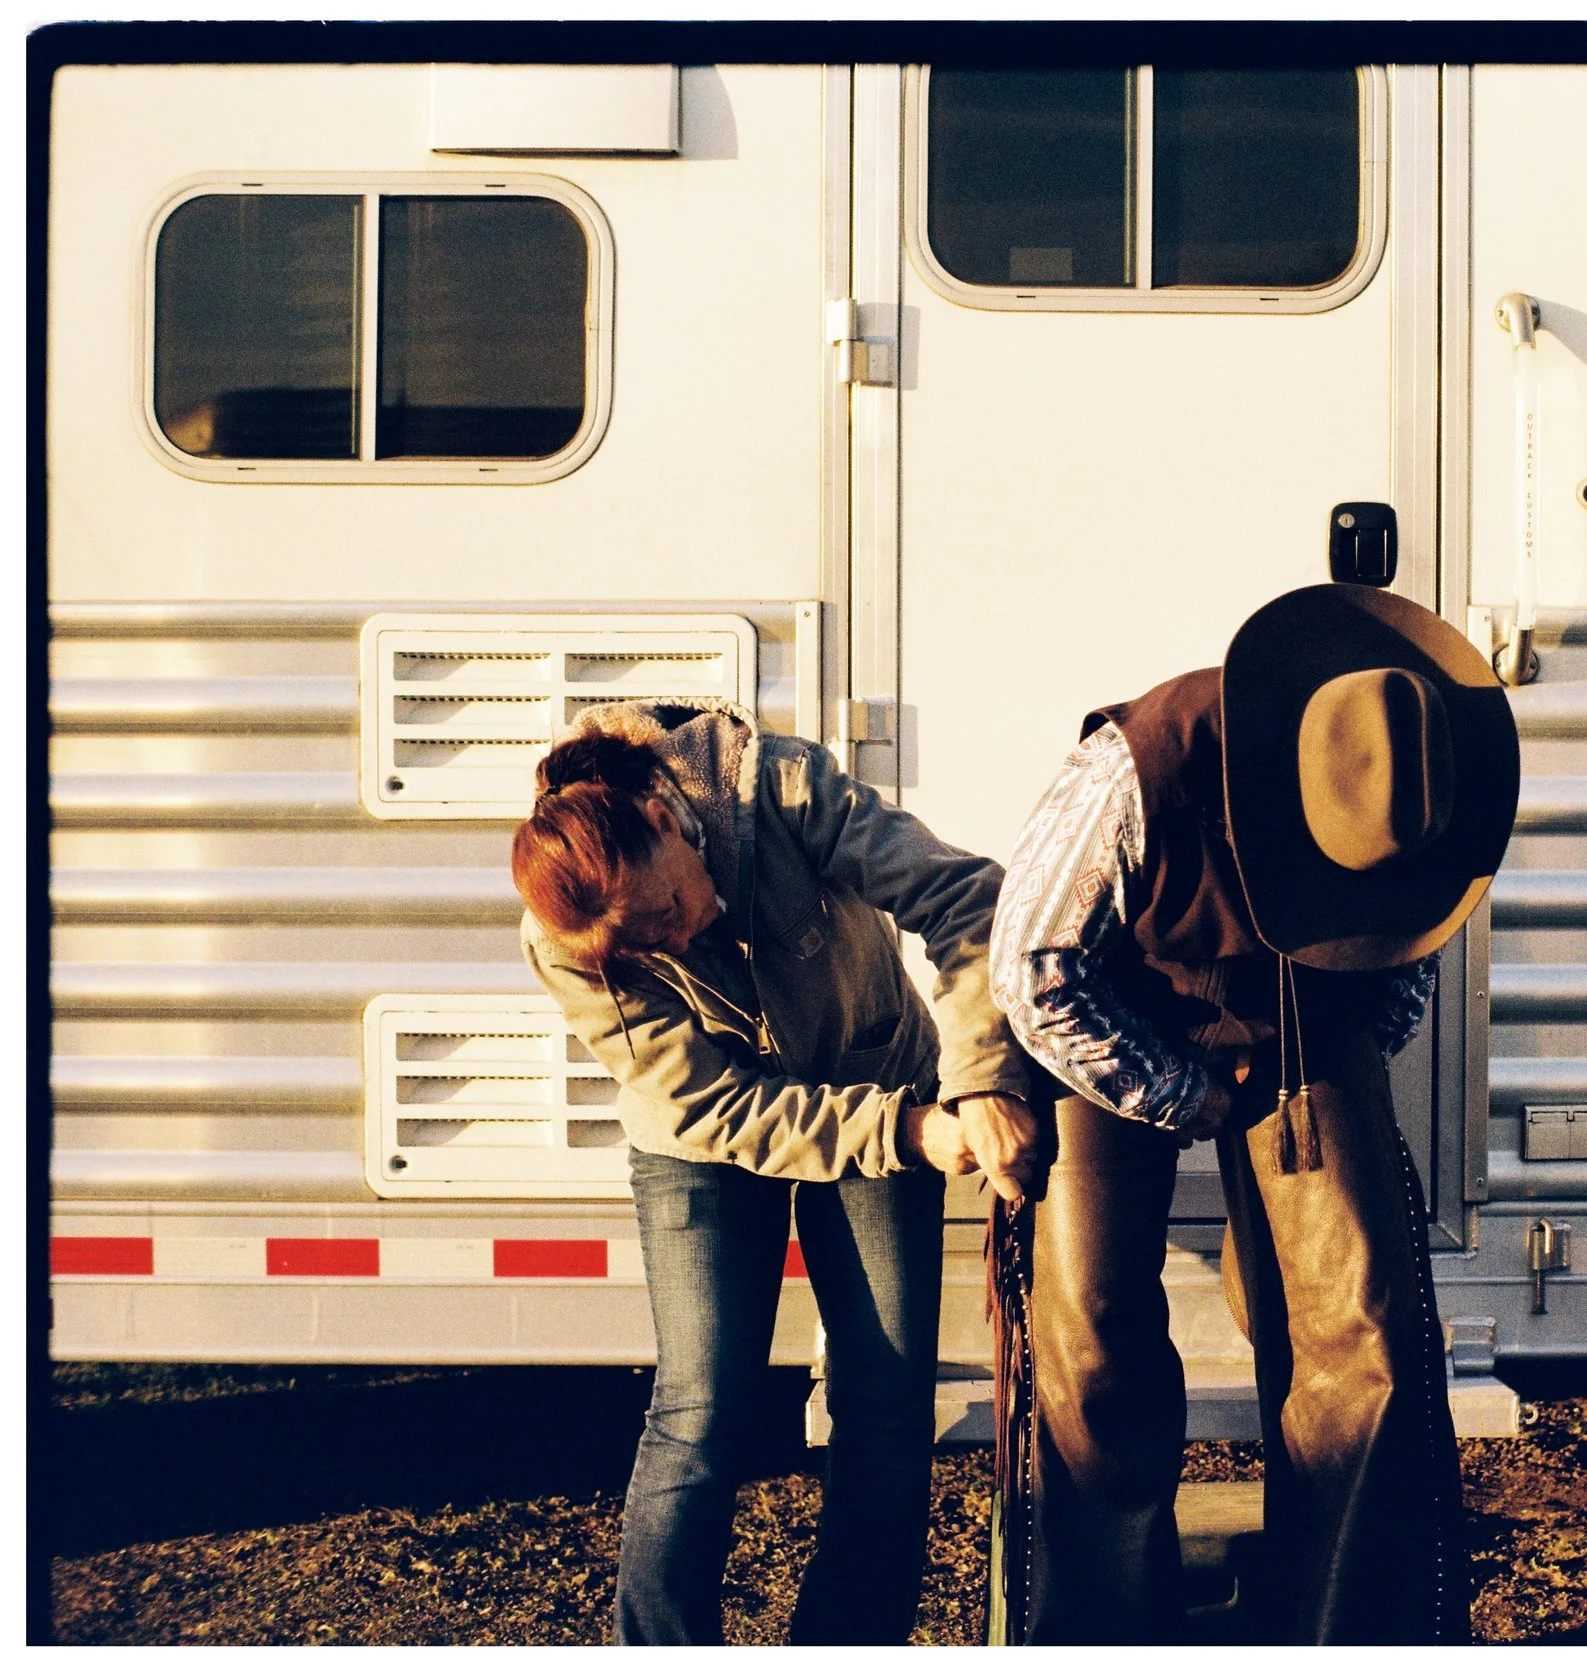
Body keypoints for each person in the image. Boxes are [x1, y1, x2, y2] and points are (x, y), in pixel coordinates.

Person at [987, 583, 1520, 1643]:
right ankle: (1102, 1625)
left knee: (1359, 1316)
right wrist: (1181, 1091)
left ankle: (1344, 1623)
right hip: (1111, 1008)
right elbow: (1033, 967)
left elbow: (1409, 959)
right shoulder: (1135, 770)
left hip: (1302, 1020)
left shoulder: (1422, 769)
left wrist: (1321, 1083)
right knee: (1091, 1328)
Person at [509, 697, 1043, 1645]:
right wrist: (908, 1135)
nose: (674, 942)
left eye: (667, 911)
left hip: (877, 1071)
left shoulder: (780, 787)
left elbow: (969, 897)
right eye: (648, 948)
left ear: (668, 821)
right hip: (708, 1137)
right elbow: (711, 1106)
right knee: (702, 1405)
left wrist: (979, 1080)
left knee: (883, 1404)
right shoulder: (573, 936)